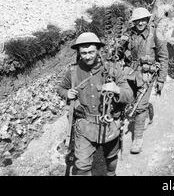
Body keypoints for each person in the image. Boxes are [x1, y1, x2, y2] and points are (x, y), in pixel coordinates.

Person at [56, 32, 134, 176]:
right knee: (82, 165)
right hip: (84, 126)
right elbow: (61, 88)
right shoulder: (73, 71)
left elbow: (129, 96)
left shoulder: (112, 69)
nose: (88, 56)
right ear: (79, 53)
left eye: (91, 52)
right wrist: (66, 94)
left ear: (98, 50)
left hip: (109, 125)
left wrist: (116, 89)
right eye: (84, 52)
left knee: (111, 157)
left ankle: (111, 174)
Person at [117, 7, 168, 154]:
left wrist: (161, 79)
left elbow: (163, 57)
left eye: (143, 20)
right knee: (128, 100)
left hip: (147, 74)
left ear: (148, 20)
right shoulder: (129, 35)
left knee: (139, 106)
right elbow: (118, 55)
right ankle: (147, 110)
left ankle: (137, 139)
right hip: (129, 72)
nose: (140, 23)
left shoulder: (155, 34)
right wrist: (119, 45)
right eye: (137, 20)